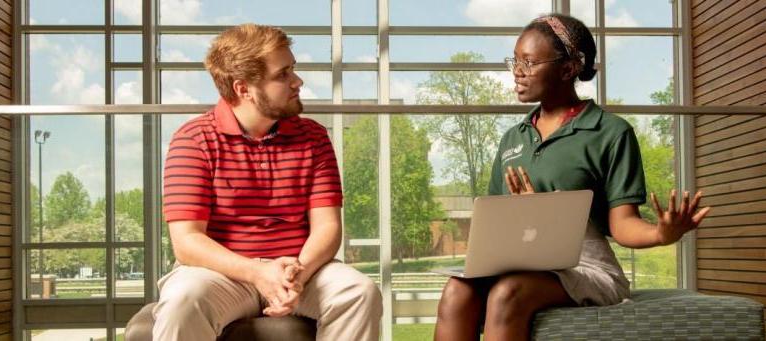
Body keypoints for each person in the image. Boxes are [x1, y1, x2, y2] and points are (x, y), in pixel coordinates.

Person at [432, 14, 711, 341]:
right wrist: (526, 217)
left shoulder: (610, 132)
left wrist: (662, 234)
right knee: (456, 291)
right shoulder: (513, 139)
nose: (517, 72)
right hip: (522, 263)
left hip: (587, 267)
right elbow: (494, 223)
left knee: (508, 293)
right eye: (515, 61)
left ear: (568, 69)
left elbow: (622, 224)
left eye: (529, 62)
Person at [153, 23, 382, 340]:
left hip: (301, 269)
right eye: (283, 74)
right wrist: (258, 272)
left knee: (360, 291)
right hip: (222, 275)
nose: (297, 81)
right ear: (243, 89)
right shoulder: (193, 139)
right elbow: (187, 242)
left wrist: (295, 276)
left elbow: (328, 227)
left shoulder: (313, 137)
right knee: (183, 299)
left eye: (293, 70)